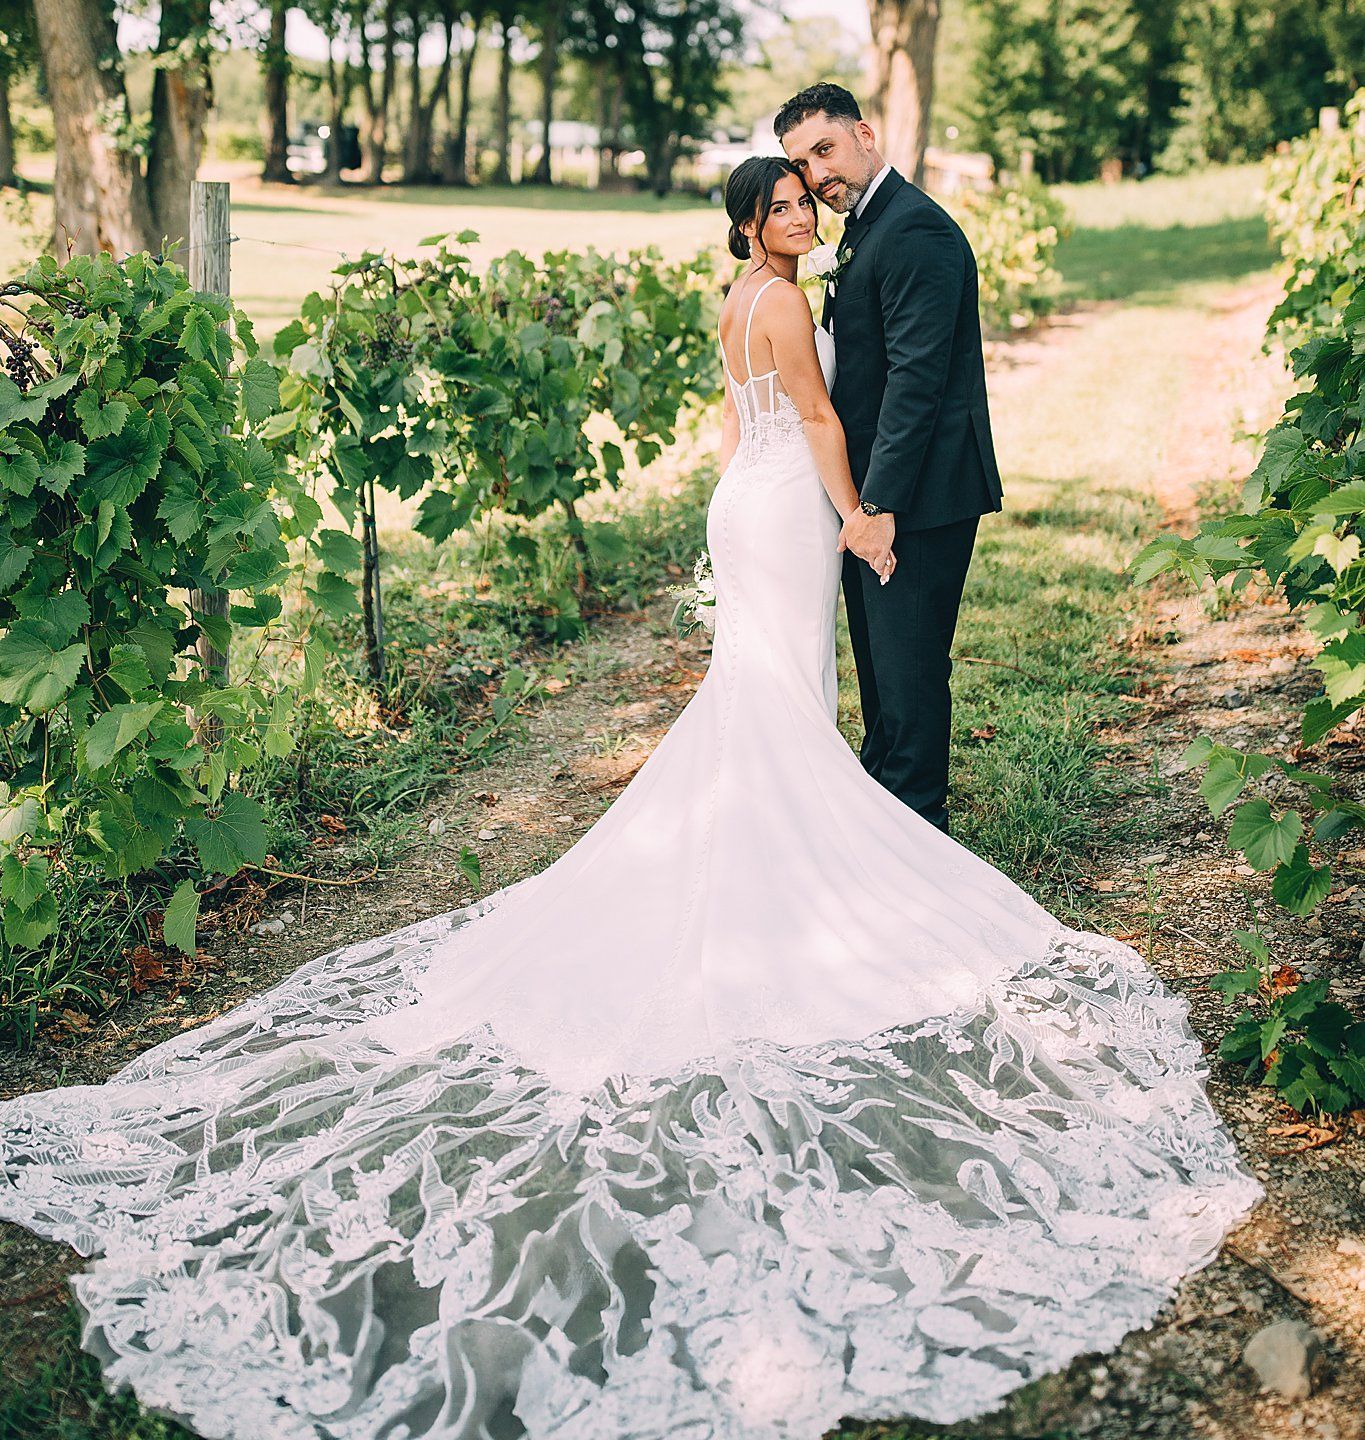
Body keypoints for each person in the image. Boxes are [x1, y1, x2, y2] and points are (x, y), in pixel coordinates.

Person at [0, 161, 1259, 1440]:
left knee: (763, 694)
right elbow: (818, 421)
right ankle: (789, 871)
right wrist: (865, 524)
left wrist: (741, 508)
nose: (805, 218)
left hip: (743, 504)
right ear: (750, 221)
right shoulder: (776, 301)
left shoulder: (741, 294)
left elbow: (738, 424)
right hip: (785, 507)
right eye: (783, 206)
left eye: (807, 204)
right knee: (778, 702)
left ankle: (770, 848)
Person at [775, 83, 1001, 833]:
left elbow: (916, 380)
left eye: (824, 149)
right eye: (800, 162)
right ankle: (886, 840)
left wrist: (876, 509)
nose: (815, 174)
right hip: (880, 493)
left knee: (905, 675)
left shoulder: (914, 232)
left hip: (919, 496)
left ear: (864, 134)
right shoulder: (867, 230)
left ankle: (919, 845)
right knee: (882, 675)